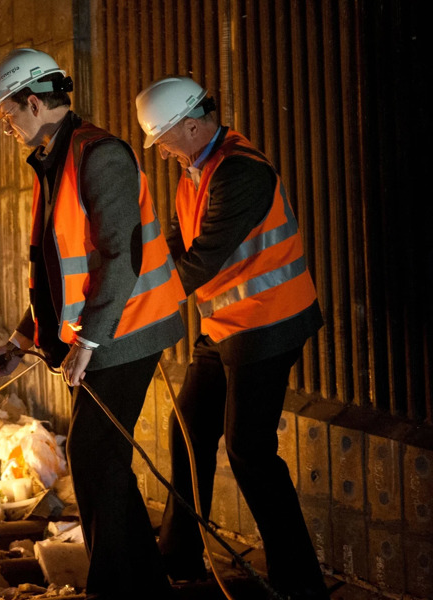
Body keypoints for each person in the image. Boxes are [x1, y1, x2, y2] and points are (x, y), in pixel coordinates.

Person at [0, 48, 186, 598]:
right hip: (102, 331)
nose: (6, 126)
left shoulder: (99, 155)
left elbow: (122, 256)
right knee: (100, 456)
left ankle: (114, 587)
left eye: (7, 114)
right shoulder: (54, 158)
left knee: (94, 454)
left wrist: (89, 340)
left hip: (128, 329)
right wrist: (22, 339)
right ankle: (142, 584)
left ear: (32, 101)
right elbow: (56, 272)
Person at [135, 76, 328, 599]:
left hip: (268, 323)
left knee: (249, 450)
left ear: (192, 125)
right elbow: (178, 244)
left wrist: (137, 310)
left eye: (166, 139)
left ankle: (298, 582)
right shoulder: (195, 170)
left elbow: (202, 259)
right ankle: (180, 555)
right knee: (191, 428)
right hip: (226, 327)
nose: (164, 151)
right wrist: (137, 282)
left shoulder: (239, 172)